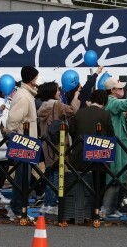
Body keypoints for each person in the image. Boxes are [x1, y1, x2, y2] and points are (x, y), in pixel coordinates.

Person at [100, 76, 127, 219]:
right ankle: (107, 208)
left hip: (121, 144)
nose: (122, 90)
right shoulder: (111, 101)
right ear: (112, 90)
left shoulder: (112, 102)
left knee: (120, 176)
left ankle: (114, 208)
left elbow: (123, 108)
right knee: (114, 176)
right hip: (116, 145)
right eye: (119, 88)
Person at [37, 81, 80, 215]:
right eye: (57, 91)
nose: (59, 93)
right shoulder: (57, 105)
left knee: (50, 173)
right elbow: (73, 110)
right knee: (55, 175)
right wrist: (76, 96)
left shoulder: (42, 106)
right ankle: (50, 204)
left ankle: (47, 203)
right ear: (52, 92)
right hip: (58, 144)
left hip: (47, 144)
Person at [5, 66, 40, 220]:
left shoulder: (26, 94)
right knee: (22, 178)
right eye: (36, 77)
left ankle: (16, 207)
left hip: (26, 141)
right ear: (31, 79)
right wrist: (11, 135)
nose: (38, 80)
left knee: (23, 178)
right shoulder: (24, 96)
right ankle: (17, 209)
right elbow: (13, 119)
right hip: (23, 142)